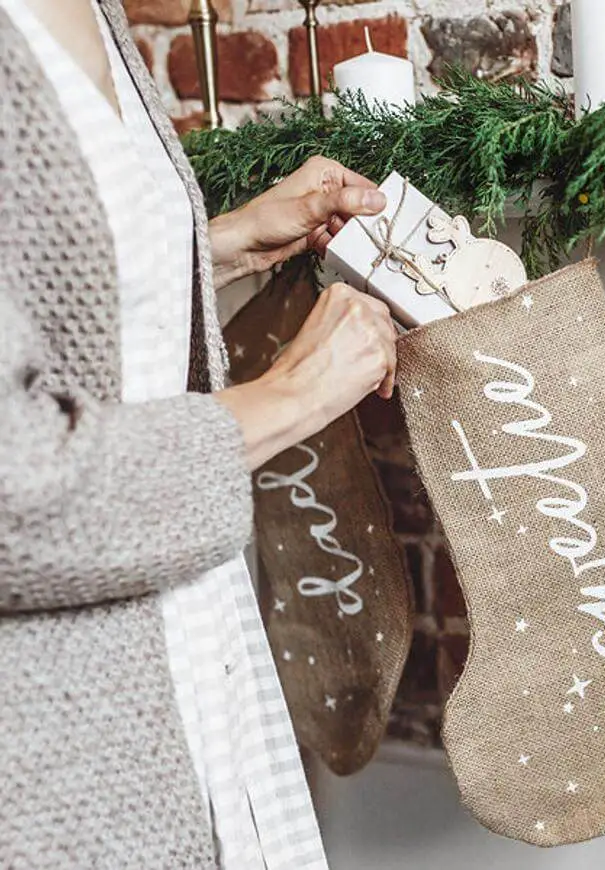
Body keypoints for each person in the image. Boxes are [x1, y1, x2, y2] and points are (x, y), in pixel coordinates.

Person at [0, 1, 399, 866]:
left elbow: (53, 300)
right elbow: (14, 492)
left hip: (193, 648)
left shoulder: (94, 15)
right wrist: (293, 395)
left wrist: (226, 243)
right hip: (47, 739)